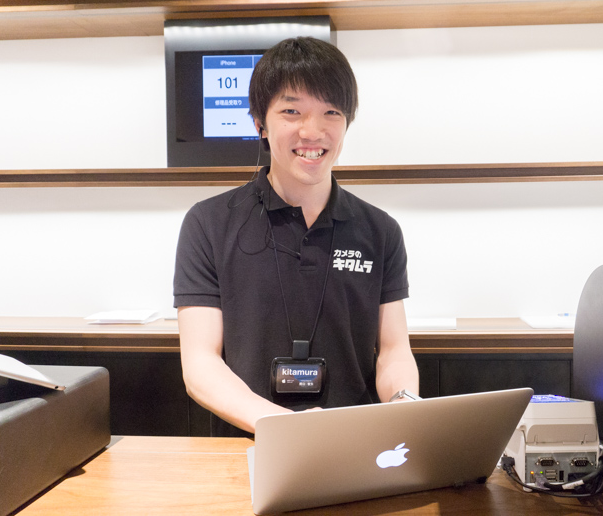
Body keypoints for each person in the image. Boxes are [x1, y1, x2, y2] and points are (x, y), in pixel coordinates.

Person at [173, 36, 419, 436]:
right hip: (250, 442)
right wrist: (286, 429)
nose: (312, 131)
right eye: (292, 111)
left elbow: (393, 351)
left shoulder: (381, 230)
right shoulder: (208, 223)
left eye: (331, 112)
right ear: (259, 123)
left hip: (355, 443)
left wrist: (403, 404)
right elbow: (201, 364)